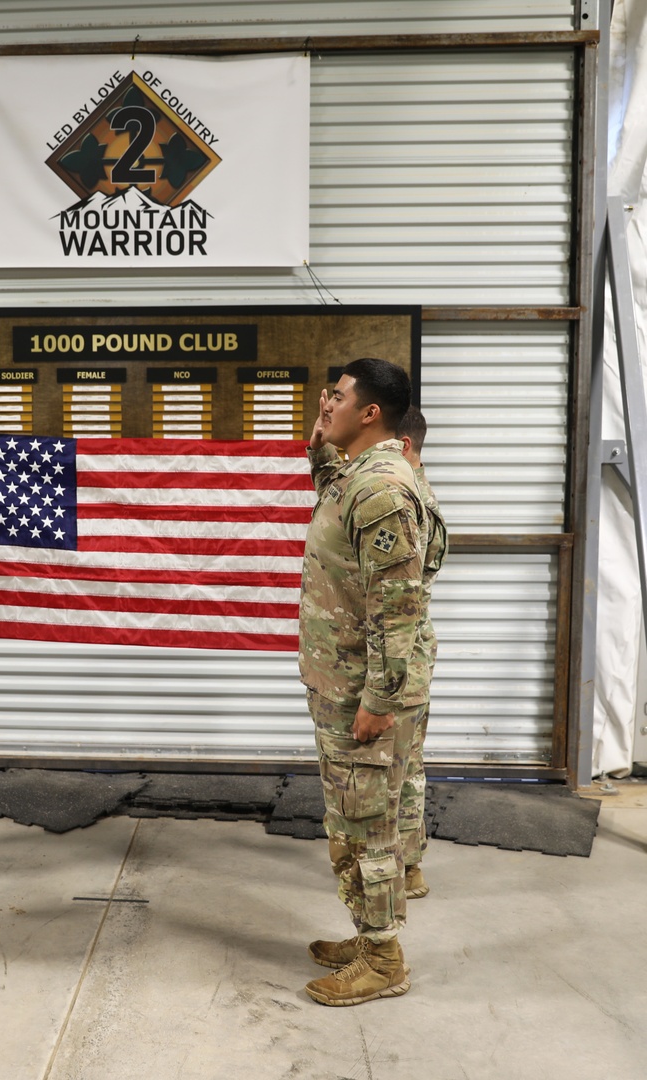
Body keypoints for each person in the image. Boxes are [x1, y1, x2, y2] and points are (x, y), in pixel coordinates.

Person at [298, 357, 428, 1007]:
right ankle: (368, 932)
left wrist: (380, 700)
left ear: (369, 412)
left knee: (367, 822)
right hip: (339, 680)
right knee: (351, 819)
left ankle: (383, 959)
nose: (326, 402)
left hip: (359, 692)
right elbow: (333, 503)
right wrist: (321, 447)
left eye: (338, 396)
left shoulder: (380, 490)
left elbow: (397, 606)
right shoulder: (357, 476)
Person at [395, 405, 448, 900]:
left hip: (402, 656)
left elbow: (401, 600)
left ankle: (406, 866)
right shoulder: (410, 491)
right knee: (405, 763)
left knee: (401, 765)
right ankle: (407, 864)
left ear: (404, 446)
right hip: (407, 653)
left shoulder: (410, 503)